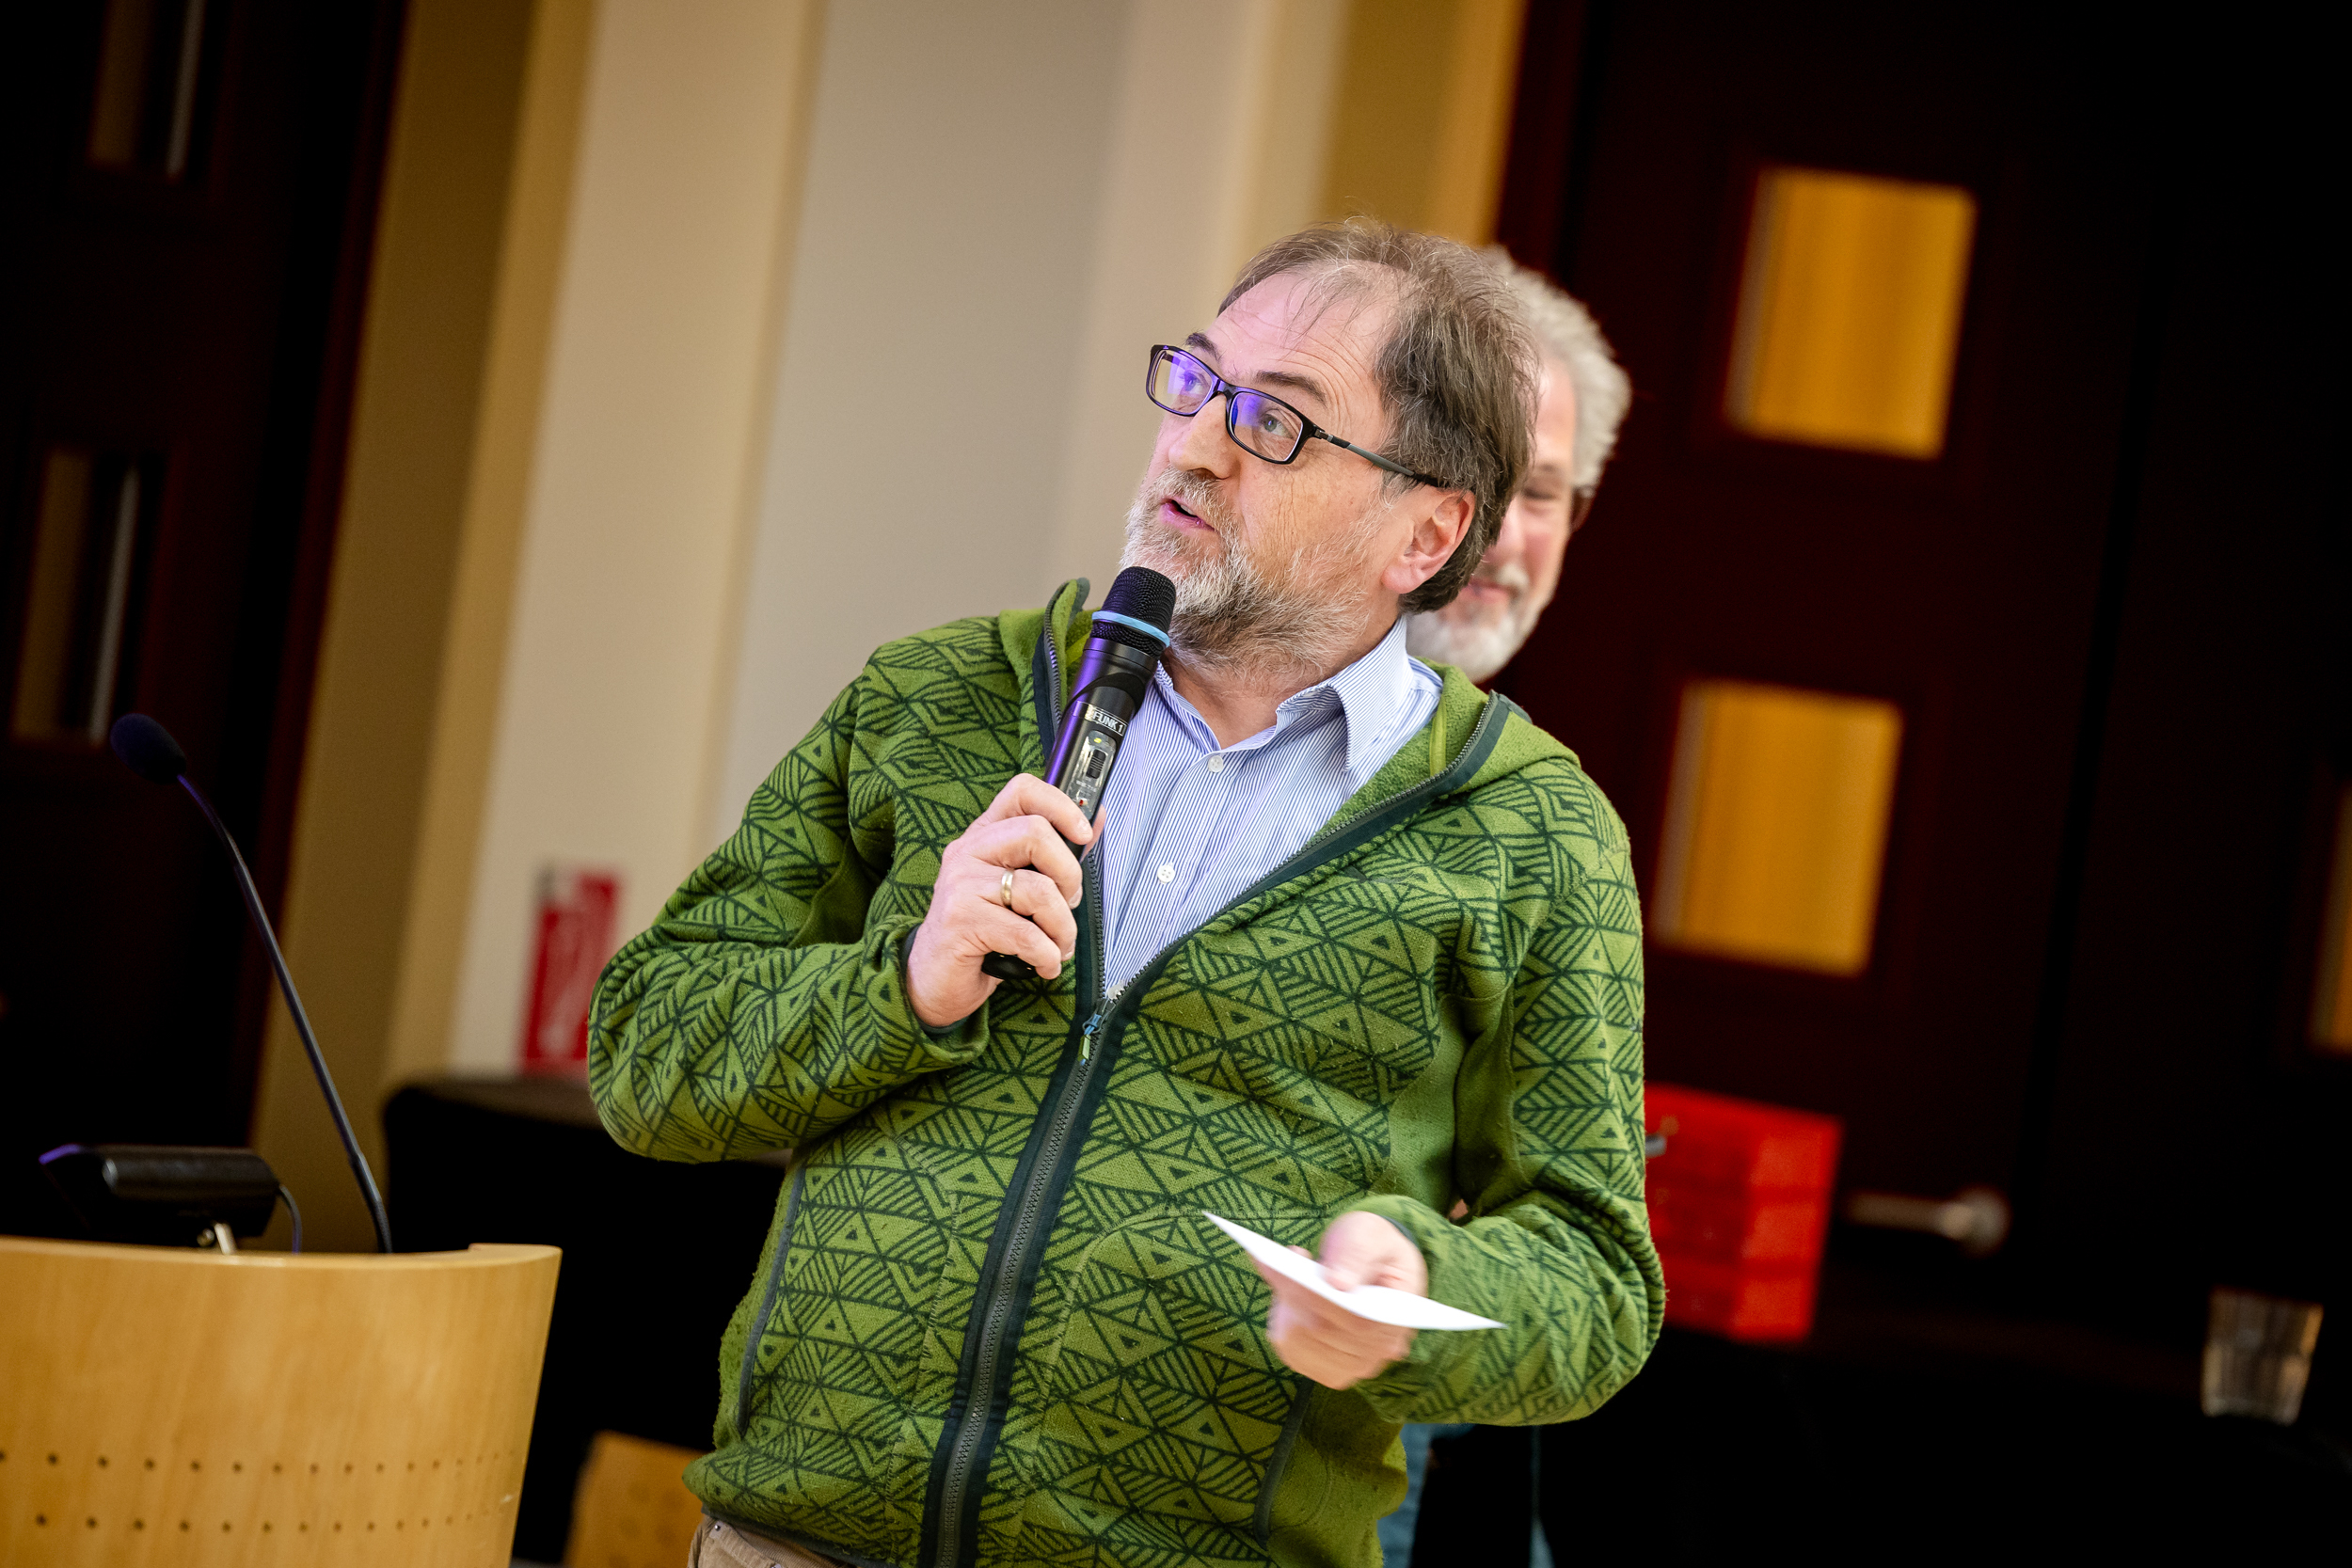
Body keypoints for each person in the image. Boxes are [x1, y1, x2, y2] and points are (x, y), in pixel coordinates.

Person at [591, 220, 1661, 1568]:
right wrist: (901, 985)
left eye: (1275, 423)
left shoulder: (1533, 834)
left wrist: (1422, 1287)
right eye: (1197, 383)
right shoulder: (937, 696)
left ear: (1426, 531)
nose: (1196, 444)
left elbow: (1598, 1283)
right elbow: (644, 1053)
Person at [1385, 258, 1634, 1567]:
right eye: (1468, 477)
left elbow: (1588, 1268)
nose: (1499, 536)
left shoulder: (1548, 818)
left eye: (1540, 492)